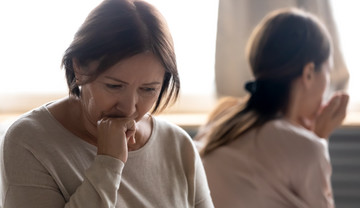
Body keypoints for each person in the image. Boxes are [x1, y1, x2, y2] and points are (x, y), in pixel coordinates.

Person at [0, 0, 214, 207]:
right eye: (114, 86)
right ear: (79, 67)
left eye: (148, 89)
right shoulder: (29, 141)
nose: (130, 108)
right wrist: (109, 163)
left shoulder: (177, 144)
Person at [195, 8, 349, 208]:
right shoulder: (306, 148)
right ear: (309, 73)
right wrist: (319, 138)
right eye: (328, 72)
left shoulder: (219, 120)